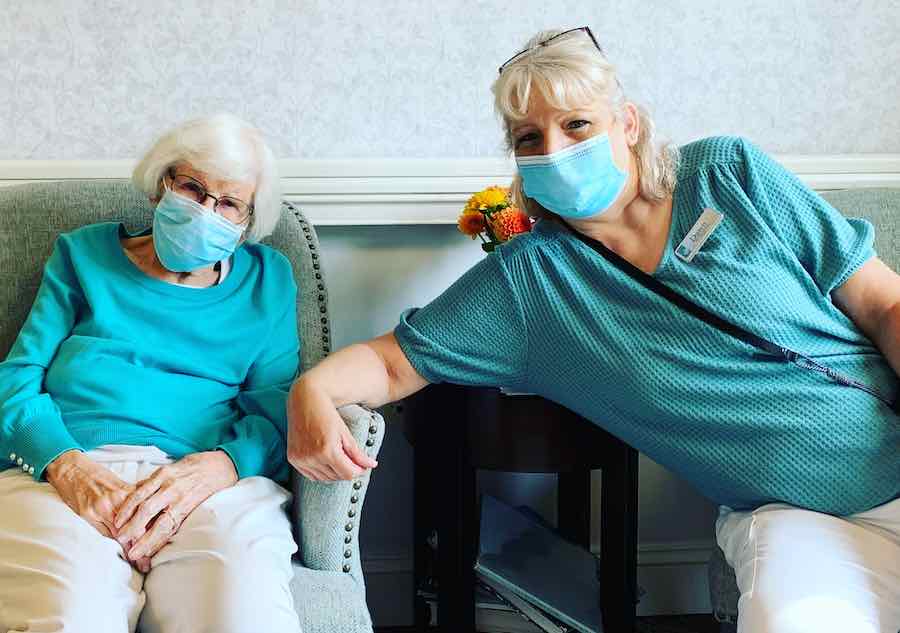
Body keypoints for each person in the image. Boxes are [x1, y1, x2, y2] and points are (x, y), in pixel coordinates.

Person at [287, 27, 900, 633]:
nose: (553, 149)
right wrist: (308, 392)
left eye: (576, 124)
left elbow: (884, 304)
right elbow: (393, 363)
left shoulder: (727, 173)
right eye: (530, 137)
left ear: (627, 124)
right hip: (792, 519)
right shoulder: (529, 284)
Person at [0, 114, 303, 632]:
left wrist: (221, 467)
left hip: (207, 482)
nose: (206, 212)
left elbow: (277, 405)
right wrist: (66, 466)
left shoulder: (267, 280)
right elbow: (17, 378)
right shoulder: (84, 254)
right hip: (70, 468)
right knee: (67, 617)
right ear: (161, 184)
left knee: (242, 613)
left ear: (247, 224)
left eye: (228, 203)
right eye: (192, 187)